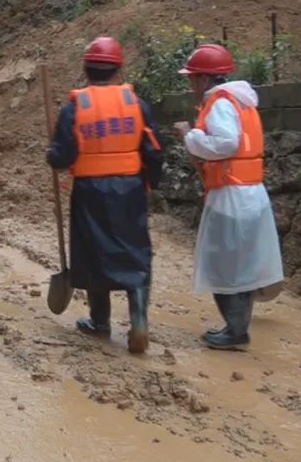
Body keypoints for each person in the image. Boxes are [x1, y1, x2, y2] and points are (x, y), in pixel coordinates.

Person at [46, 37, 164, 354]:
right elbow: (154, 150)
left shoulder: (76, 107)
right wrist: (150, 184)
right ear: (118, 69)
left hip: (90, 193)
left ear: (86, 70)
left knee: (95, 251)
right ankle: (139, 319)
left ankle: (100, 321)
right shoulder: (136, 104)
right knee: (135, 252)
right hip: (130, 191)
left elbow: (62, 155)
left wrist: (51, 155)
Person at [173, 43, 283, 350]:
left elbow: (226, 143)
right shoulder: (242, 101)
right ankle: (237, 327)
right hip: (251, 193)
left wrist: (191, 137)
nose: (191, 84)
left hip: (231, 195)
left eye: (193, 78)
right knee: (241, 266)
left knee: (222, 266)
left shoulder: (220, 103)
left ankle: (235, 332)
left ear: (205, 79)